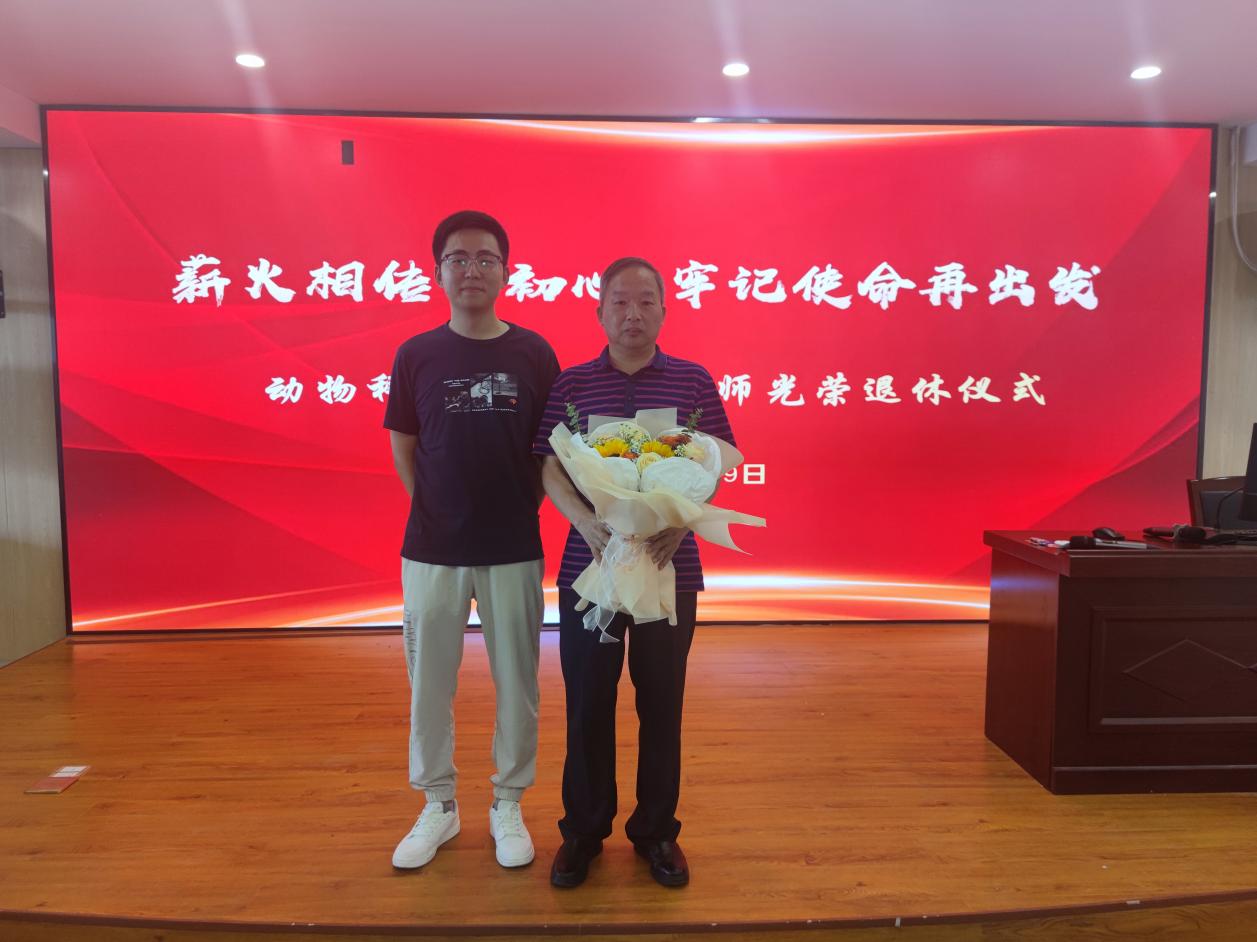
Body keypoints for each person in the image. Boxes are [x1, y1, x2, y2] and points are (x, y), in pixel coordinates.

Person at [533, 256, 735, 888]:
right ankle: (582, 832)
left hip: (669, 569)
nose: (633, 313)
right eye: (619, 302)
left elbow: (716, 461)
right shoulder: (572, 384)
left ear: (664, 311)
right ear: (599, 312)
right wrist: (583, 521)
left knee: (662, 703)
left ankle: (656, 832)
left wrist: (684, 517)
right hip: (590, 568)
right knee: (588, 701)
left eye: (646, 301)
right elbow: (549, 464)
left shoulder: (693, 381)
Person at [384, 210, 559, 871]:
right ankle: (438, 804)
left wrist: (517, 507)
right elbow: (405, 447)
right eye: (458, 258)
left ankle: (508, 801)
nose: (472, 269)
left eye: (486, 258)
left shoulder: (533, 353)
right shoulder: (416, 355)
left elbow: (549, 453)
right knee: (429, 684)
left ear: (506, 272)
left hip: (513, 545)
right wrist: (438, 508)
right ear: (438, 273)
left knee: (517, 683)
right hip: (432, 549)